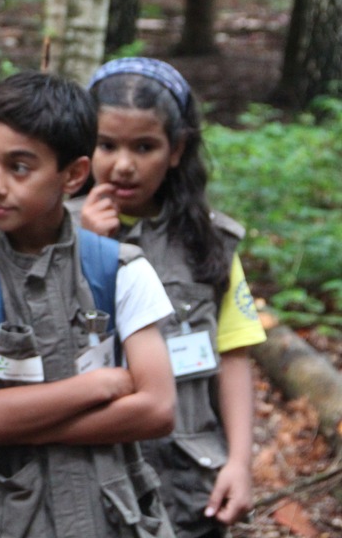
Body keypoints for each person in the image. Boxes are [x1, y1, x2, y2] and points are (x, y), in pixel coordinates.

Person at [0, 70, 178, 538]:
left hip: (109, 515)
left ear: (73, 174)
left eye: (19, 167)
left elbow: (157, 409)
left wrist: (18, 423)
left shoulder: (122, 271)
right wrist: (99, 385)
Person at [70, 57, 267, 537]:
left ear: (176, 150)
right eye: (107, 145)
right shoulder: (48, 232)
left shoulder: (209, 243)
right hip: (82, 477)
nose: (123, 165)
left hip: (186, 480)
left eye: (144, 147)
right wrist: (85, 246)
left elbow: (234, 356)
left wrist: (240, 463)